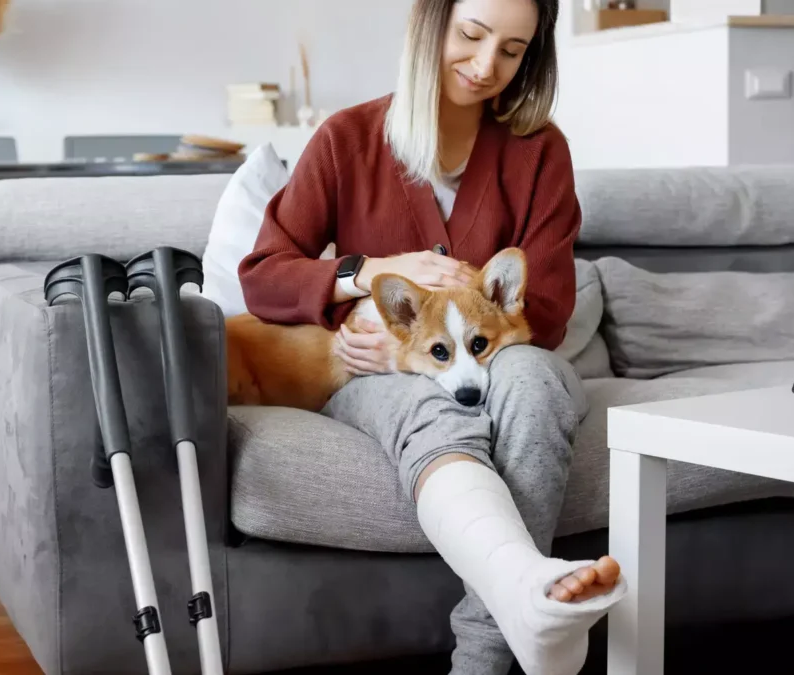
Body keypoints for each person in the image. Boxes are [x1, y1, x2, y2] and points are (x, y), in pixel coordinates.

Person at [238, 0, 628, 672]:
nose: (486, 67)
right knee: (426, 403)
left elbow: (550, 308)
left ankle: (492, 640)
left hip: (513, 358)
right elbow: (264, 276)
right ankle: (528, 614)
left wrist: (456, 308)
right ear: (431, 25)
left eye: (511, 50)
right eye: (472, 36)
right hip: (374, 373)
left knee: (532, 384)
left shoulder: (541, 152)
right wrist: (369, 278)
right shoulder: (345, 139)